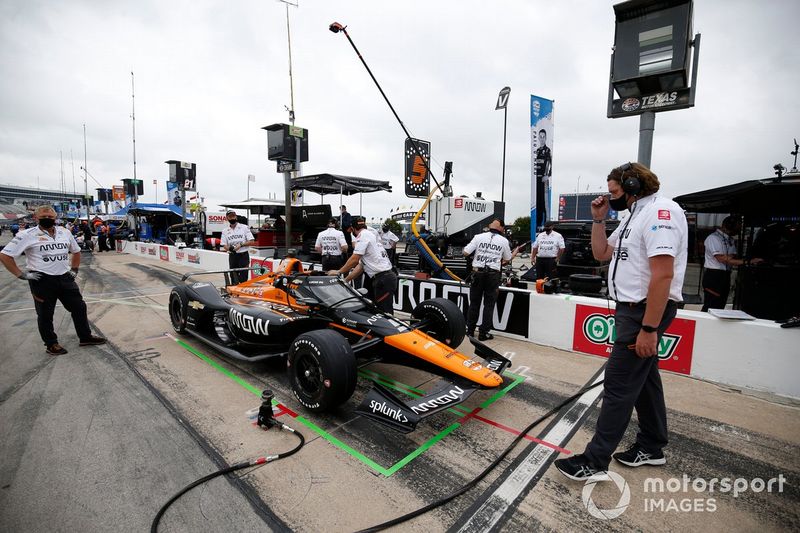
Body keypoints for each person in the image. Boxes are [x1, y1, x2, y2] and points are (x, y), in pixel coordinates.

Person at [554, 162, 688, 481]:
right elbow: (602, 253)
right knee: (645, 381)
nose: (609, 196)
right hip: (633, 310)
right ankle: (652, 446)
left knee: (617, 385)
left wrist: (649, 328)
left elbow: (664, 274)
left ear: (632, 184)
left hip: (644, 311)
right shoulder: (631, 215)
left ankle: (594, 460)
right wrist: (598, 220)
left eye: (614, 190)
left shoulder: (661, 212)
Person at [0, 206, 106, 355]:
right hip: (42, 279)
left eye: (51, 217)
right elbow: (5, 255)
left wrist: (74, 269)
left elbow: (76, 251)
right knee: (45, 314)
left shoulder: (65, 232)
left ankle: (85, 337)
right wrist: (21, 274)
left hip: (65, 277)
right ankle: (51, 344)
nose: (48, 219)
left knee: (79, 307)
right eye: (44, 216)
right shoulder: (26, 234)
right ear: (36, 218)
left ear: (55, 218)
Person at [462, 218, 520, 341]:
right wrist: (514, 253)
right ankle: (483, 333)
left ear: (489, 226)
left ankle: (470, 331)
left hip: (478, 273)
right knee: (489, 304)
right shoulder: (504, 241)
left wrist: (479, 253)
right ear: (501, 228)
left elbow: (466, 252)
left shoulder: (478, 237)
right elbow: (507, 258)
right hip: (493, 275)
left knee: (474, 303)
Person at [329, 218, 397, 314]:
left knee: (385, 313)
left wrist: (339, 272)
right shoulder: (370, 235)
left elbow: (355, 258)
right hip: (383, 278)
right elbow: (361, 266)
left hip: (383, 279)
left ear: (353, 229)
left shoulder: (363, 235)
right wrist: (346, 280)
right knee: (374, 310)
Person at [701, 216, 761, 312]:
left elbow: (732, 256)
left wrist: (732, 258)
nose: (737, 231)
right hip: (714, 275)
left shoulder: (730, 240)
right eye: (736, 228)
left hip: (725, 275)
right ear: (727, 226)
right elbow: (722, 258)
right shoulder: (713, 238)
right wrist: (747, 261)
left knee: (721, 305)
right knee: (712, 305)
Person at [221, 210, 255, 284]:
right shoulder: (225, 231)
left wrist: (241, 245)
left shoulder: (244, 227)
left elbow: (252, 241)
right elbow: (224, 245)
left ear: (236, 217)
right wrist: (230, 248)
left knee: (243, 278)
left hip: (243, 256)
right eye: (230, 216)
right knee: (233, 278)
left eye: (233, 216)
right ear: (227, 218)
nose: (232, 218)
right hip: (233, 256)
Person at [534, 128, 553, 226]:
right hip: (536, 180)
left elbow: (549, 163)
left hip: (544, 180)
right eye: (540, 137)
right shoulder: (537, 151)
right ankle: (537, 224)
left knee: (544, 203)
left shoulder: (547, 150)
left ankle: (545, 224)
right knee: (538, 203)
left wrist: (546, 175)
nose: (541, 139)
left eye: (543, 137)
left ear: (545, 138)